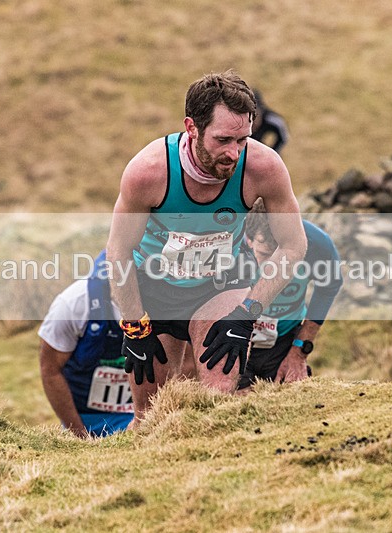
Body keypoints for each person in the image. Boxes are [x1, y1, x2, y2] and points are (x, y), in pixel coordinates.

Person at [106, 70, 307, 424]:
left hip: (219, 286)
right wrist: (134, 327)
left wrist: (247, 313)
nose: (234, 153)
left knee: (218, 401)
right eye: (223, 139)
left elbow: (293, 246)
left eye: (243, 139)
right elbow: (119, 252)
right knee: (149, 415)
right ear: (192, 127)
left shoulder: (263, 167)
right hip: (155, 290)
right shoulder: (148, 173)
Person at [239, 204, 342, 389]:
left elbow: (329, 286)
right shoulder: (231, 240)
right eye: (264, 255)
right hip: (236, 337)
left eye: (282, 257)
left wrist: (299, 351)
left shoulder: (315, 243)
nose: (272, 269)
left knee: (294, 397)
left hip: (283, 340)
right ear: (249, 239)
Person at [38, 251, 134, 437]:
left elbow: (186, 361)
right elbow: (50, 369)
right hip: (87, 419)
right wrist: (79, 434)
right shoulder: (72, 303)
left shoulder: (167, 300)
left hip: (144, 416)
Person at [250, 89, 290, 154]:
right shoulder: (238, 122)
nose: (253, 124)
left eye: (254, 120)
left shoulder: (270, 119)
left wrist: (273, 153)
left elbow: (283, 136)